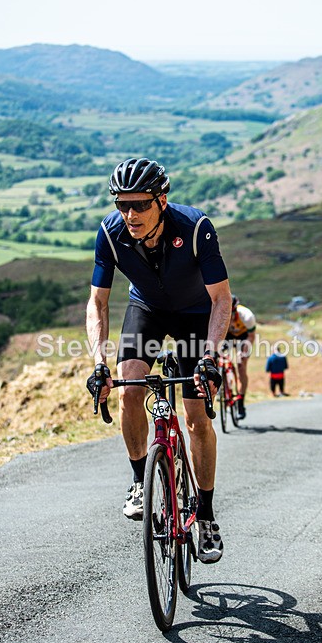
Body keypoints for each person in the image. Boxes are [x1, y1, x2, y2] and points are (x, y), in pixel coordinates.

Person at [86, 157, 232, 563]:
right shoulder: (111, 233)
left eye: (140, 205)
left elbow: (221, 299)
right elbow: (98, 302)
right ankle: (139, 480)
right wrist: (99, 361)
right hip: (146, 309)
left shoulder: (196, 229)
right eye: (122, 205)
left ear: (161, 201)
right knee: (127, 391)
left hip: (194, 317)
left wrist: (210, 358)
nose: (130, 214)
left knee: (195, 417)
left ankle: (204, 515)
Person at [225, 295, 256, 419]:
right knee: (215, 358)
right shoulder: (219, 312)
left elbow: (251, 336)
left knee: (241, 365)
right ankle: (223, 388)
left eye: (231, 313)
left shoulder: (247, 316)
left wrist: (243, 352)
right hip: (227, 335)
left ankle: (241, 402)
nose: (230, 317)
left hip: (243, 336)